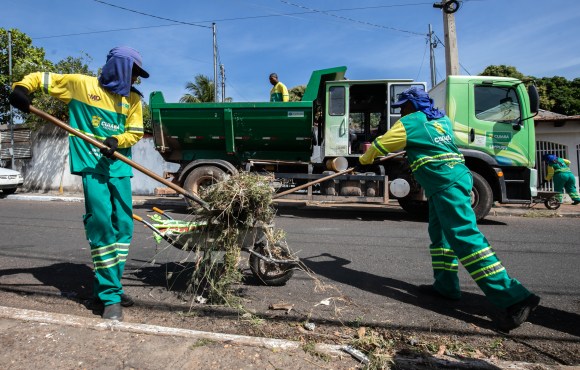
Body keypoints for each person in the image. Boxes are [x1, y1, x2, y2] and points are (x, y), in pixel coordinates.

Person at [357, 86, 540, 331]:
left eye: (403, 107)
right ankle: (446, 286)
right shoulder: (441, 120)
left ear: (411, 106)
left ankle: (515, 297)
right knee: (440, 235)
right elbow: (432, 146)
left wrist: (363, 159)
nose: (401, 112)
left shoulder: (410, 123)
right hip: (451, 180)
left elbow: (379, 148)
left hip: (445, 183)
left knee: (465, 238)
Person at [9, 46, 149, 321]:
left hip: (120, 166)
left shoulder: (132, 99)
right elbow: (40, 78)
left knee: (124, 226)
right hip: (92, 167)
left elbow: (135, 131)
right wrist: (22, 89)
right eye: (134, 73)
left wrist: (116, 141)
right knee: (101, 225)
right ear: (120, 67)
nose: (136, 80)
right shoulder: (80, 85)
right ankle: (109, 296)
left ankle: (111, 286)